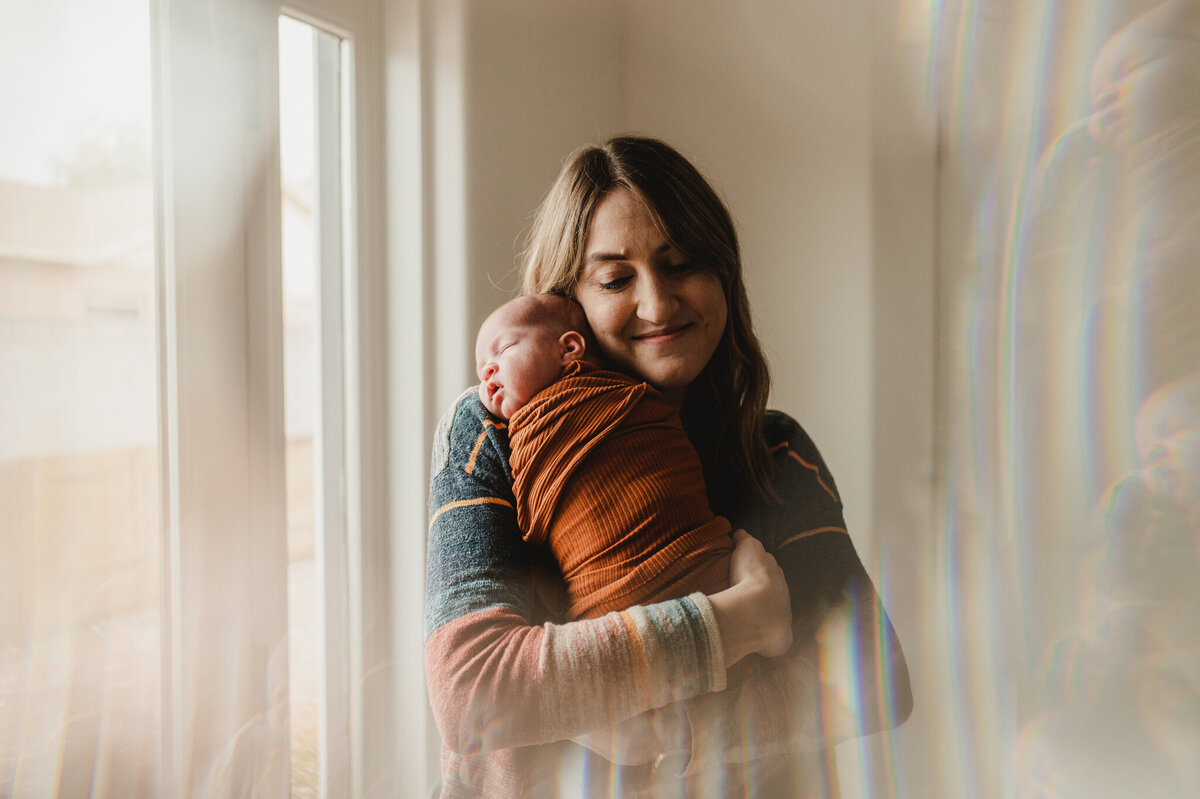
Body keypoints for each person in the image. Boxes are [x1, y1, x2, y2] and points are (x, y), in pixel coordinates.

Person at [425, 135, 912, 798]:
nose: (656, 303)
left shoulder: (773, 450)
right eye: (615, 278)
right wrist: (741, 620)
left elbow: (874, 677)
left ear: (724, 276)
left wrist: (639, 720)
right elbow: (473, 696)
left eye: (681, 264)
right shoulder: (493, 433)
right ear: (572, 308)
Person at [474, 291, 734, 621]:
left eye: (505, 348)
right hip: (608, 605)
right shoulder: (488, 431)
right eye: (482, 368)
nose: (487, 373)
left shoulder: (628, 402)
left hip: (696, 564)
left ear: (568, 348)